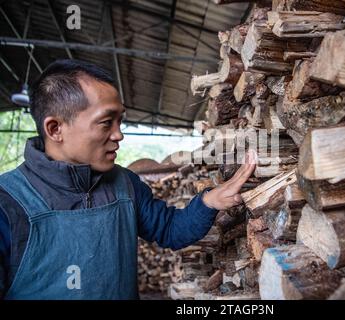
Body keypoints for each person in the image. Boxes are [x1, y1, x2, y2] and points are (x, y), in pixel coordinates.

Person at [0, 59, 256, 299]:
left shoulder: (125, 185)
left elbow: (170, 230)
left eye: (120, 121)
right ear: (55, 129)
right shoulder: (7, 203)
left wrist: (209, 201)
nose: (119, 135)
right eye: (105, 122)